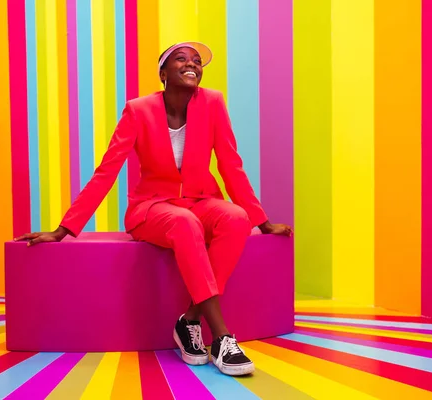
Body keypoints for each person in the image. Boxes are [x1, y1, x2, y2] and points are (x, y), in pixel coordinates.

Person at [15, 41, 292, 376]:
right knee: (184, 223)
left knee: (235, 218)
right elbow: (107, 171)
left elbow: (231, 165)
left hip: (200, 200)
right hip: (153, 208)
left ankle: (189, 320)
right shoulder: (138, 110)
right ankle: (221, 337)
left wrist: (261, 222)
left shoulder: (213, 103)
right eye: (181, 59)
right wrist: (64, 229)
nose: (192, 64)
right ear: (163, 73)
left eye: (196, 61)